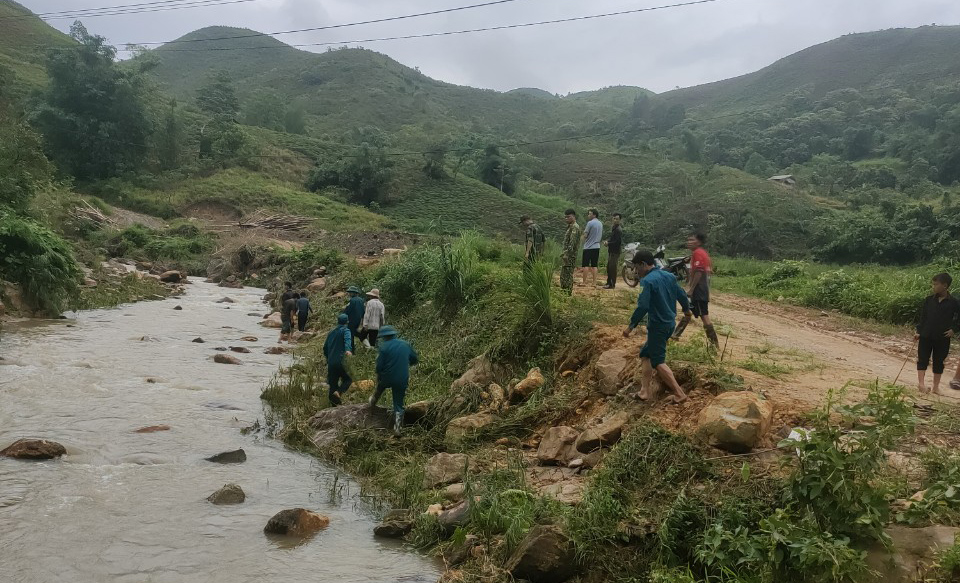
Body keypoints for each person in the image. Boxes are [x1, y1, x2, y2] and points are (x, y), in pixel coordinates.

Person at [622, 249, 693, 404]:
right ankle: (644, 391)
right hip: (669, 324)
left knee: (658, 361)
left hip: (657, 325)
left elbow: (642, 307)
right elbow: (681, 294)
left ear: (643, 264)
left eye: (636, 267)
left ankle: (679, 393)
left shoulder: (647, 281)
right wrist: (687, 311)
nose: (635, 271)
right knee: (645, 354)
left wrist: (630, 327)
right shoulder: (669, 276)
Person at [672, 233, 720, 349]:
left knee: (704, 315)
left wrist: (691, 289)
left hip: (699, 290)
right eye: (688, 239)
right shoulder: (700, 253)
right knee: (688, 309)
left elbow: (698, 272)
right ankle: (675, 334)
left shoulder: (698, 253)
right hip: (701, 289)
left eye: (692, 240)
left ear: (698, 242)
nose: (689, 242)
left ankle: (714, 344)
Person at [369, 326, 419, 436]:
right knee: (398, 403)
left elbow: (379, 367)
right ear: (394, 334)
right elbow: (414, 359)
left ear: (384, 337)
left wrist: (379, 376)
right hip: (401, 378)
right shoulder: (405, 344)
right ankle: (397, 428)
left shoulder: (383, 347)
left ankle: (372, 404)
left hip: (387, 377)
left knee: (380, 388)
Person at [915, 273, 960, 395]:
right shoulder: (929, 300)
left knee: (939, 361)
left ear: (945, 286)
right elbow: (923, 318)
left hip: (942, 336)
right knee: (922, 359)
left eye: (936, 284)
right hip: (926, 334)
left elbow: (958, 319)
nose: (933, 287)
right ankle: (921, 384)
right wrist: (918, 331)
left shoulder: (954, 303)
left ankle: (935, 386)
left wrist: (954, 330)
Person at [323, 314, 353, 405]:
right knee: (348, 379)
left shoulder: (331, 332)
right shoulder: (346, 330)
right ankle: (339, 392)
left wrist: (328, 358)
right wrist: (348, 350)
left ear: (338, 321)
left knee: (332, 385)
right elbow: (347, 340)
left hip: (331, 362)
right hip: (341, 361)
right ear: (347, 322)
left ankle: (334, 407)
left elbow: (325, 347)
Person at [560, 209, 581, 295]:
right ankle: (564, 293)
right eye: (565, 217)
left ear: (573, 216)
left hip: (570, 255)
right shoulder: (571, 226)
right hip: (568, 254)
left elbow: (571, 243)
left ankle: (567, 294)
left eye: (568, 217)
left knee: (567, 275)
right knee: (564, 274)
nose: (566, 219)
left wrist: (566, 254)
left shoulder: (575, 227)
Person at [581, 209, 603, 287]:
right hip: (597, 246)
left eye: (590, 214)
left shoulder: (590, 223)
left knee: (586, 265)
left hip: (588, 247)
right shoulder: (600, 223)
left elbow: (585, 235)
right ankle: (594, 283)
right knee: (594, 265)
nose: (588, 215)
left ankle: (584, 282)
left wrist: (582, 239)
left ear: (594, 215)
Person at [603, 213, 623, 289]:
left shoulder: (618, 230)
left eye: (617, 219)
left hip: (615, 252)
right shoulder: (614, 228)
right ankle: (608, 282)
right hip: (611, 251)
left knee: (612, 268)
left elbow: (617, 242)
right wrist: (608, 242)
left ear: (620, 220)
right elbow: (612, 239)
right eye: (614, 218)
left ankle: (612, 284)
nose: (615, 220)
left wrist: (608, 243)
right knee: (609, 267)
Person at [342, 285, 366, 351]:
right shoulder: (361, 300)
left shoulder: (352, 301)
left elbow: (347, 311)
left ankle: (352, 350)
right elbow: (363, 310)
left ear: (354, 293)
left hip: (352, 320)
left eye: (350, 292)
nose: (349, 294)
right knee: (356, 332)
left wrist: (344, 314)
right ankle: (365, 341)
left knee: (350, 335)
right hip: (359, 320)